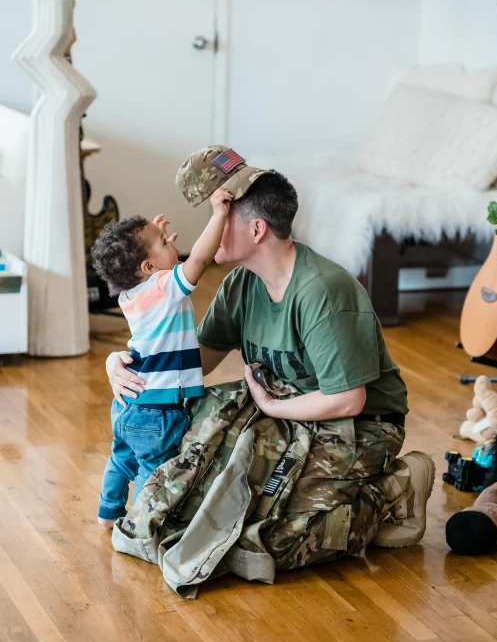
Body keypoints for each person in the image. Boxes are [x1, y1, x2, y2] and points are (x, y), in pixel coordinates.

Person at [106, 145, 435, 549]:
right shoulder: (240, 284)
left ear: (257, 229)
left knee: (269, 540)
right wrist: (120, 364)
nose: (205, 235)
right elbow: (196, 362)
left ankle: (395, 489)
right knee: (198, 503)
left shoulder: (323, 291)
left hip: (361, 421)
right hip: (282, 406)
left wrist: (274, 408)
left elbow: (348, 399)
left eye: (221, 218)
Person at [92, 186, 233, 527]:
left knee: (121, 458)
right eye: (165, 241)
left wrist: (155, 241)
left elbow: (152, 263)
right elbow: (198, 261)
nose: (172, 240)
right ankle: (142, 525)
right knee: (151, 469)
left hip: (129, 403)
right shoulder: (163, 287)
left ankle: (108, 513)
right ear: (149, 265)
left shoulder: (131, 293)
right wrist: (219, 215)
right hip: (158, 409)